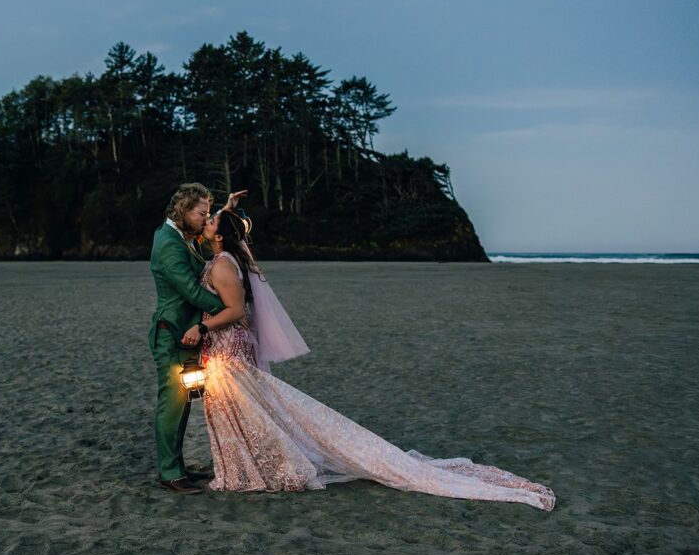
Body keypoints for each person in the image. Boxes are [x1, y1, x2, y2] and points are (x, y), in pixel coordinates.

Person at [180, 209, 556, 511]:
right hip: (227, 347)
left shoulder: (225, 264)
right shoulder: (226, 256)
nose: (207, 220)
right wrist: (229, 209)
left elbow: (234, 310)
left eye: (211, 219)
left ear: (220, 235)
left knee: (244, 408)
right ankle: (248, 464)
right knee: (247, 409)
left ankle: (261, 467)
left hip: (228, 347)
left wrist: (201, 325)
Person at [148, 183, 247, 495]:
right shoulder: (168, 243)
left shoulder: (180, 235)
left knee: (183, 403)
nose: (206, 219)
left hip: (188, 334)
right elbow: (190, 291)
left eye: (209, 214)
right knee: (172, 404)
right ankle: (169, 473)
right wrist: (228, 309)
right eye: (201, 214)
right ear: (183, 211)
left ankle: (175, 466)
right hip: (173, 333)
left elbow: (213, 229)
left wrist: (226, 210)